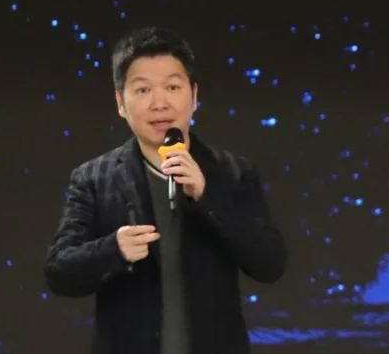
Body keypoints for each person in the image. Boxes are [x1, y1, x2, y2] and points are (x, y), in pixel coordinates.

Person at [45, 26, 287, 353]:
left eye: (172, 87)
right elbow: (59, 271)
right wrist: (113, 249)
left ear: (194, 96)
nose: (159, 103)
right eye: (143, 90)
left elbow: (270, 263)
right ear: (120, 102)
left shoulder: (233, 172)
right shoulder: (93, 178)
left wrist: (207, 196)